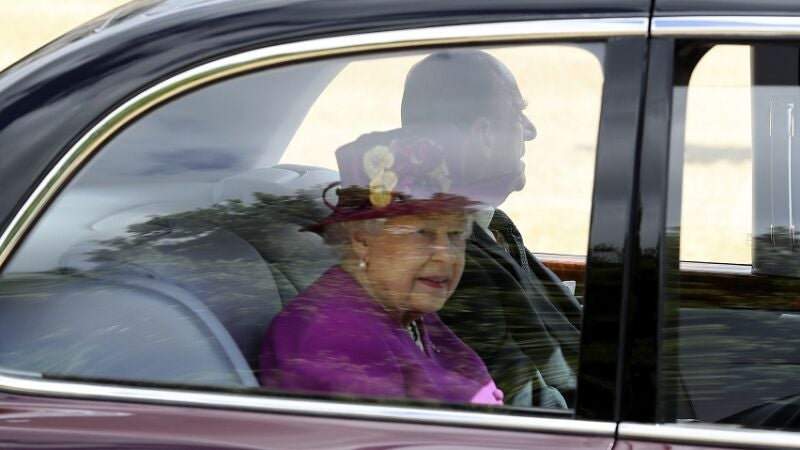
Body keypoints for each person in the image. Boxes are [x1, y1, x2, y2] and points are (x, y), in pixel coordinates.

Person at [259, 133, 504, 405]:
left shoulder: (403, 307)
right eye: (423, 233)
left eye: (456, 234)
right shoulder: (335, 338)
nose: (446, 256)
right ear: (362, 240)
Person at [400, 50, 580, 407]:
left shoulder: (488, 225)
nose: (530, 130)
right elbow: (535, 411)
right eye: (516, 114)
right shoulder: (451, 268)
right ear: (483, 135)